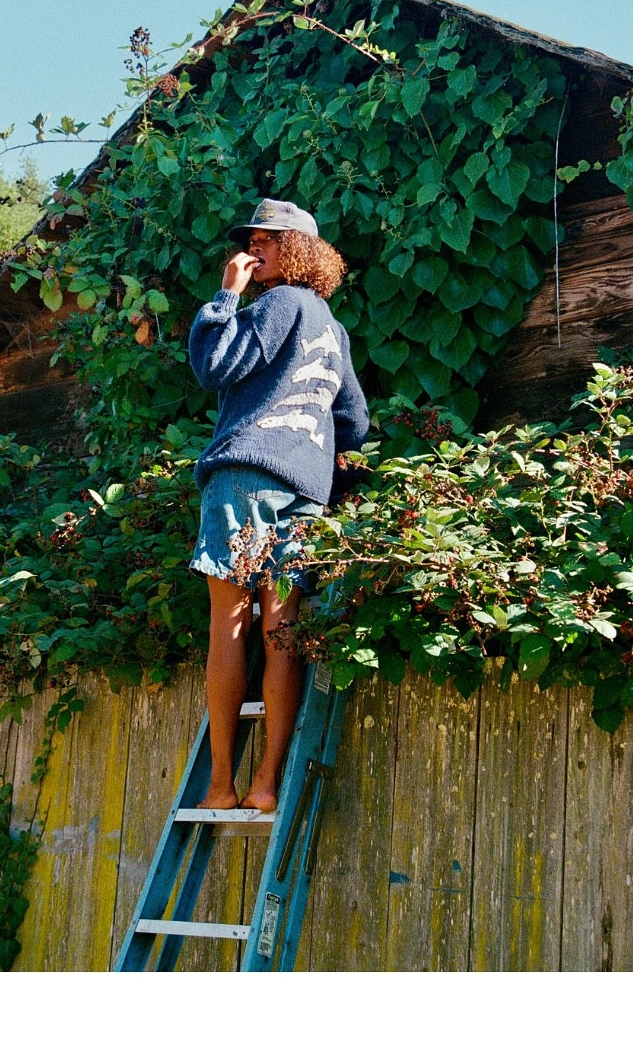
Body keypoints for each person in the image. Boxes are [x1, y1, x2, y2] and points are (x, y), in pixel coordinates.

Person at [188, 199, 369, 812]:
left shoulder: (274, 304)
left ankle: (220, 785)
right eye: (251, 242)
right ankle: (266, 785)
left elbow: (214, 366)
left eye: (266, 240)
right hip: (305, 489)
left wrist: (225, 297)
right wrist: (324, 481)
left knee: (228, 623)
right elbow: (354, 421)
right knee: (283, 627)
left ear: (296, 249)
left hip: (246, 476)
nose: (252, 250)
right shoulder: (333, 330)